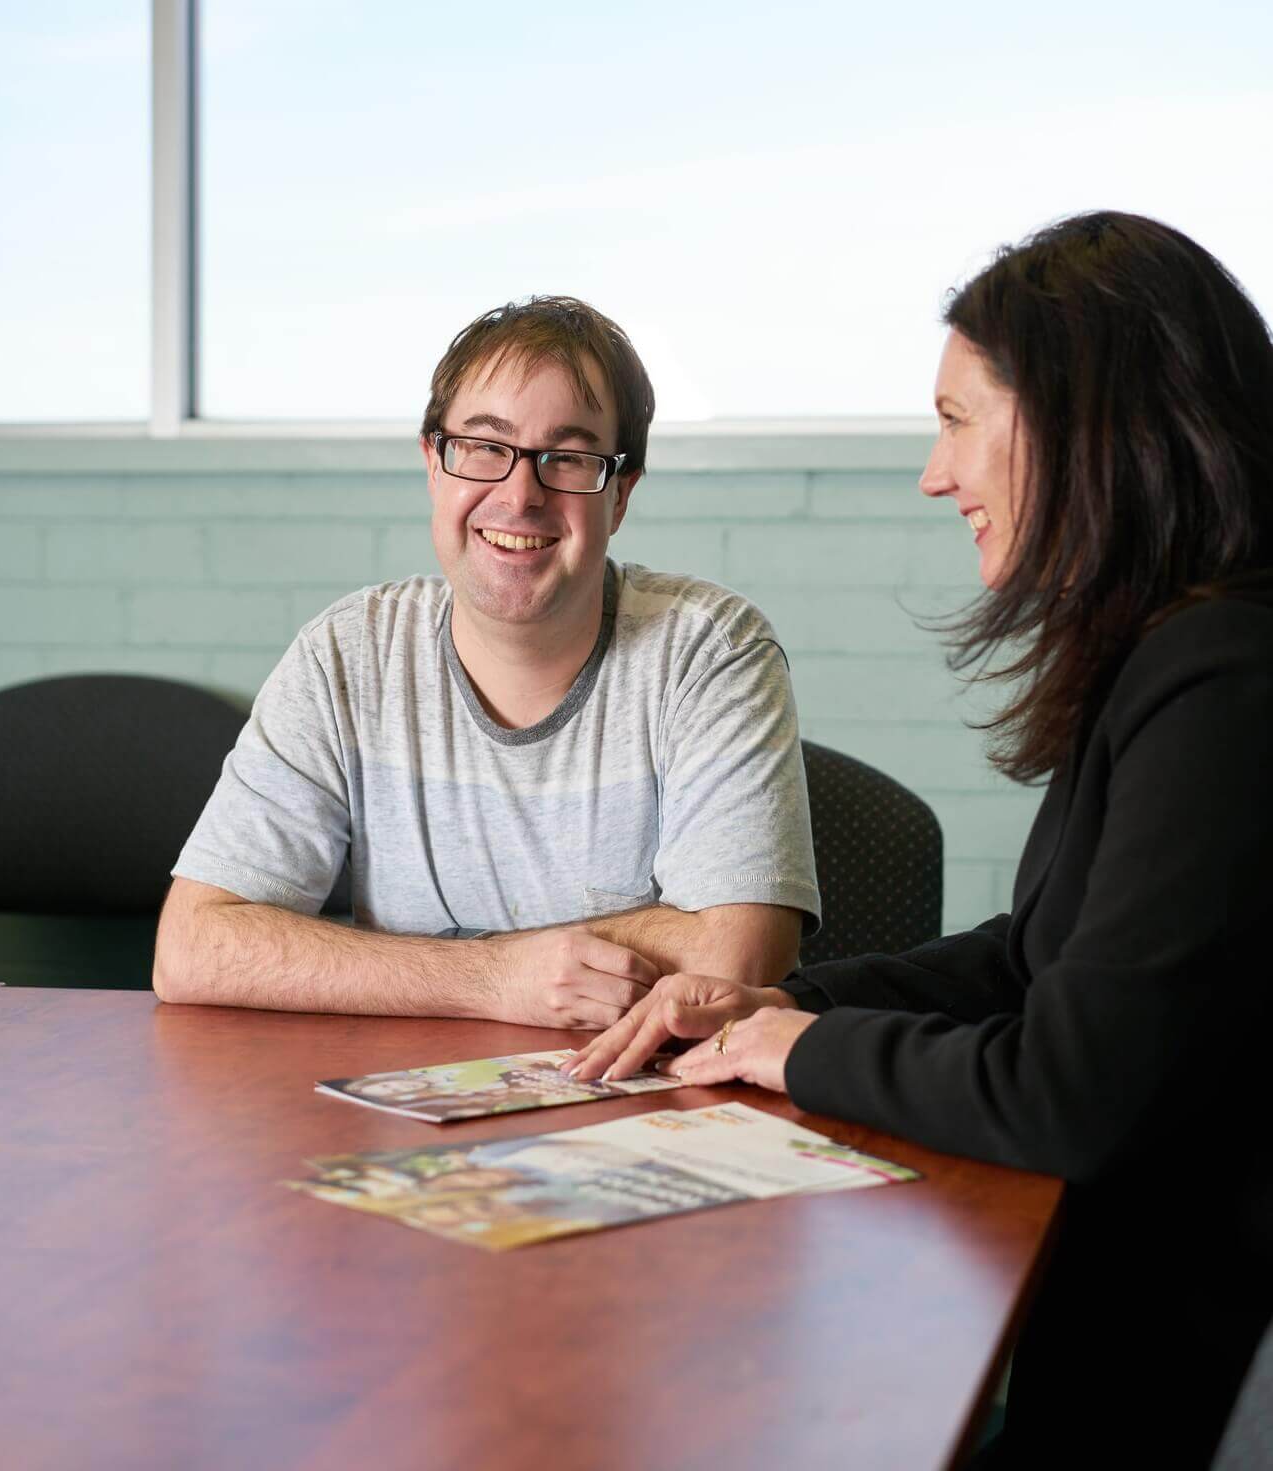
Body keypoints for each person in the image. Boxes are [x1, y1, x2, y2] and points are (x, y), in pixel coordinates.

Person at [566, 213, 1273, 1466]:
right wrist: (769, 1004)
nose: (934, 474)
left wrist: (808, 1047)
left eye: (956, 419)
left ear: (1081, 422)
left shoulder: (1224, 675)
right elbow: (1033, 959)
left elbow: (1066, 1095)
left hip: (1147, 1388)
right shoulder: (1176, 649)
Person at [154, 296, 818, 1024]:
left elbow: (736, 953)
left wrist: (386, 965)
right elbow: (192, 948)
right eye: (484, 445)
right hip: (393, 1110)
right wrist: (496, 975)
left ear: (621, 493)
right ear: (433, 464)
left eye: (568, 457)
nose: (520, 494)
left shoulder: (709, 651)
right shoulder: (345, 657)